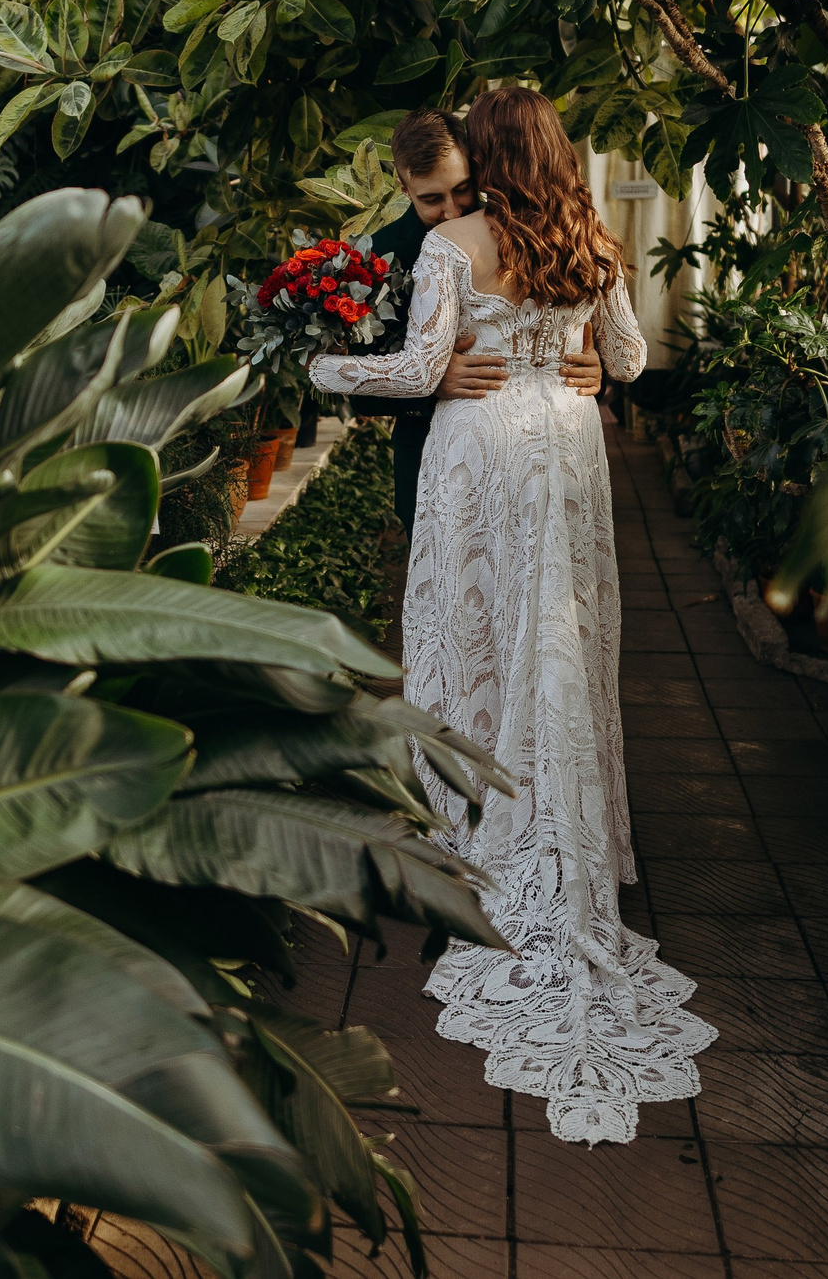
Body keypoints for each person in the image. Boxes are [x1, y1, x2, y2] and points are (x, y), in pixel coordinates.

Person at [310, 88, 715, 1144]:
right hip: (568, 455)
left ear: (484, 156)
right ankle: (558, 843)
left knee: (468, 640)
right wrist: (578, 362)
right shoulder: (594, 238)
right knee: (559, 647)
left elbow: (409, 371)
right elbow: (627, 364)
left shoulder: (453, 246)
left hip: (479, 451)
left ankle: (464, 841)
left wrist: (312, 363)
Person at [355, 109, 603, 530]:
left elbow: (559, 310)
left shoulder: (522, 227)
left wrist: (587, 353)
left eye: (463, 189)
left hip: (529, 459)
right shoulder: (374, 256)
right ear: (403, 187)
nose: (451, 212)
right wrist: (430, 383)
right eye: (431, 199)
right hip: (429, 459)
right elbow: (360, 391)